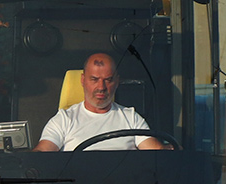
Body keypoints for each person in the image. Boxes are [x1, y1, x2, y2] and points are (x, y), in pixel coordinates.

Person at [34, 53, 164, 152]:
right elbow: (43, 154)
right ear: (83, 80)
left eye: (108, 80)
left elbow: (156, 152)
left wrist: (171, 150)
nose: (101, 87)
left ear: (117, 82)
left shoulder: (131, 117)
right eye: (94, 79)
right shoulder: (64, 119)